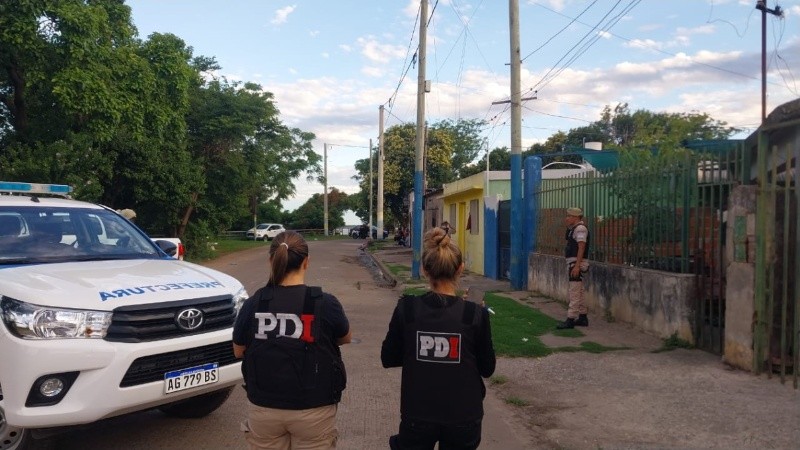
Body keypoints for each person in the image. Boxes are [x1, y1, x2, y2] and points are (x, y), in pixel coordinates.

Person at [232, 231, 352, 450]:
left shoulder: (254, 303)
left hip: (264, 408)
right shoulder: (325, 302)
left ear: (271, 260)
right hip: (313, 410)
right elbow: (345, 337)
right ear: (306, 262)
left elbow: (239, 351)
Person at [381, 227, 496, 450]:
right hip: (464, 416)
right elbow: (487, 368)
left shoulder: (408, 309)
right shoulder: (474, 314)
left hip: (418, 414)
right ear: (460, 269)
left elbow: (389, 357)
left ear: (425, 270)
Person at [557, 207, 590, 329]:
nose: (567, 218)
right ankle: (582, 317)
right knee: (579, 292)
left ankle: (570, 319)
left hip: (576, 264)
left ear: (576, 217)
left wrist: (577, 266)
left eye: (569, 216)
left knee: (574, 292)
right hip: (574, 263)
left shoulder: (580, 229)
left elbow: (581, 247)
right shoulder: (574, 229)